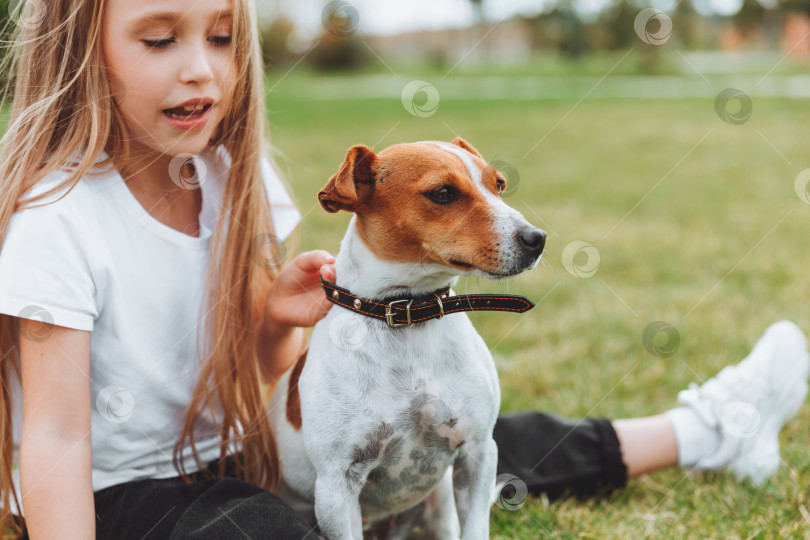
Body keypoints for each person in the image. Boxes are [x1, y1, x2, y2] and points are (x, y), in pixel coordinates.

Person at [0, 2, 806, 540]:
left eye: (220, 37)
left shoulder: (234, 183)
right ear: (82, 48)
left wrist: (274, 318)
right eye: (158, 39)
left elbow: (276, 387)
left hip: (251, 448)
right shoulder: (58, 219)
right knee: (266, 527)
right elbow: (60, 436)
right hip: (127, 493)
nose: (202, 71)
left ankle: (713, 428)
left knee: (477, 437)